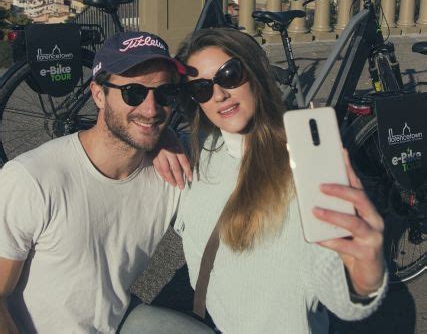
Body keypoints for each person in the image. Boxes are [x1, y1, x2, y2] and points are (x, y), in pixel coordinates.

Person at [126, 27, 388, 334]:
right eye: (201, 88)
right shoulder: (197, 153)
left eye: (229, 74)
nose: (220, 94)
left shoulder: (301, 169)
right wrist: (161, 139)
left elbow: (333, 283)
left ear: (255, 72)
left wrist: (363, 279)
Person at [0, 30, 195, 334]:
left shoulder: (170, 167)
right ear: (98, 94)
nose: (151, 109)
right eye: (133, 92)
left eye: (165, 94)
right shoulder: (32, 179)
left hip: (113, 321)